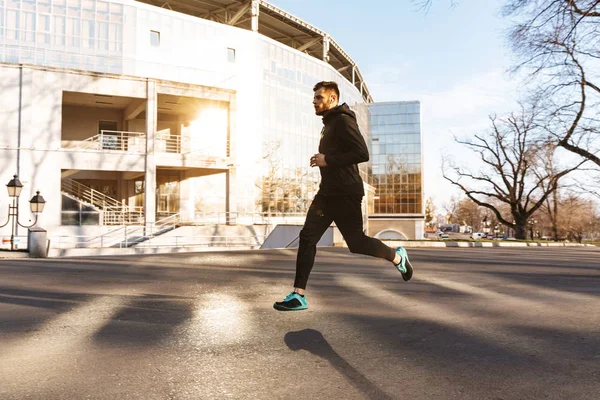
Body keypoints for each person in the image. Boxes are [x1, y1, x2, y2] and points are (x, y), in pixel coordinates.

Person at [274, 81, 414, 311]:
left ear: (332, 98)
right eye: (314, 98)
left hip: (347, 193)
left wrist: (327, 159)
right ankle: (298, 295)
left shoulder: (342, 119)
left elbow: (362, 152)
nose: (314, 101)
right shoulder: (328, 123)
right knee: (308, 237)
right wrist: (323, 159)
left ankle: (397, 257)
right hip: (327, 193)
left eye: (319, 97)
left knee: (356, 243)